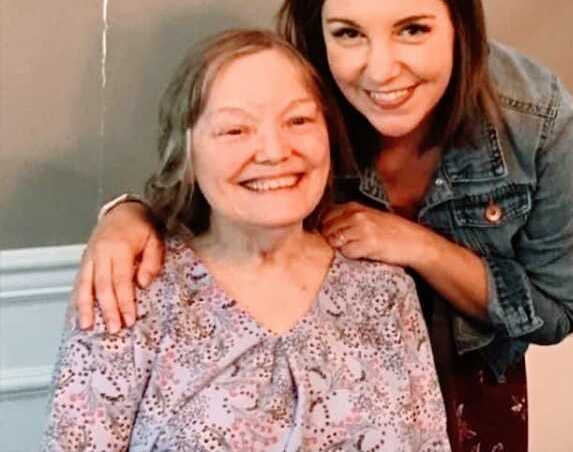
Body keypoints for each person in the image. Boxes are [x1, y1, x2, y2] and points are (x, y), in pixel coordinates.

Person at [74, 0, 573, 451]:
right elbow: (206, 187)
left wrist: (417, 246)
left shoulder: (534, 118)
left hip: (472, 384)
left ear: (461, 23)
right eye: (348, 33)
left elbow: (555, 310)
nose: (380, 69)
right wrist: (126, 217)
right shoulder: (290, 99)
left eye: (413, 29)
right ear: (316, 31)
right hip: (330, 398)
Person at [44, 29, 451, 452]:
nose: (274, 151)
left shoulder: (384, 292)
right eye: (235, 130)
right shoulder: (129, 292)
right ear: (186, 153)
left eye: (298, 120)